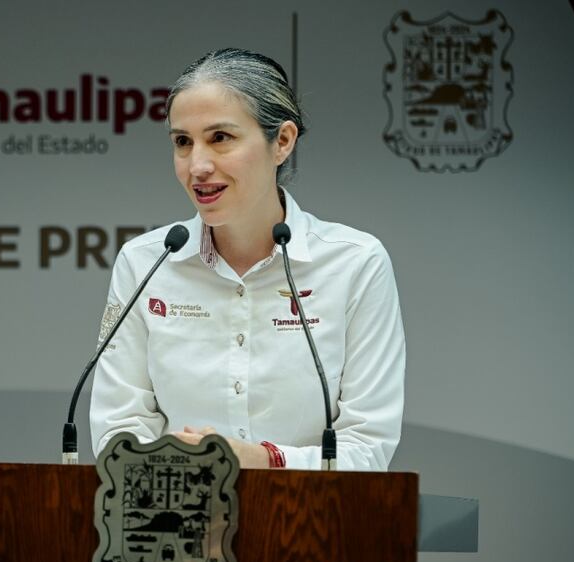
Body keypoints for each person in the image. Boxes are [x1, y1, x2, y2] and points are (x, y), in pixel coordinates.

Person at [90, 48, 405, 471]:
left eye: (221, 138)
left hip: (310, 528)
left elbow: (367, 448)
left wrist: (264, 461)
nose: (197, 165)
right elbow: (118, 430)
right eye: (183, 142)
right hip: (173, 527)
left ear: (283, 142)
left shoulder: (356, 264)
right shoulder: (144, 264)